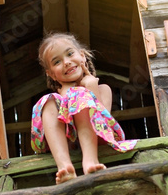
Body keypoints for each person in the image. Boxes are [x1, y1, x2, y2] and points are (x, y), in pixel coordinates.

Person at [31, 32, 137, 184]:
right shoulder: (55, 101)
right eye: (57, 62)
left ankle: (90, 161)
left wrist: (91, 87)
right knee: (47, 101)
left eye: (69, 54)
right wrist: (68, 93)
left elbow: (102, 122)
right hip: (69, 142)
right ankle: (65, 167)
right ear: (52, 74)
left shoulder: (102, 89)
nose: (66, 62)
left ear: (82, 56)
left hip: (99, 136)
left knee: (81, 96)